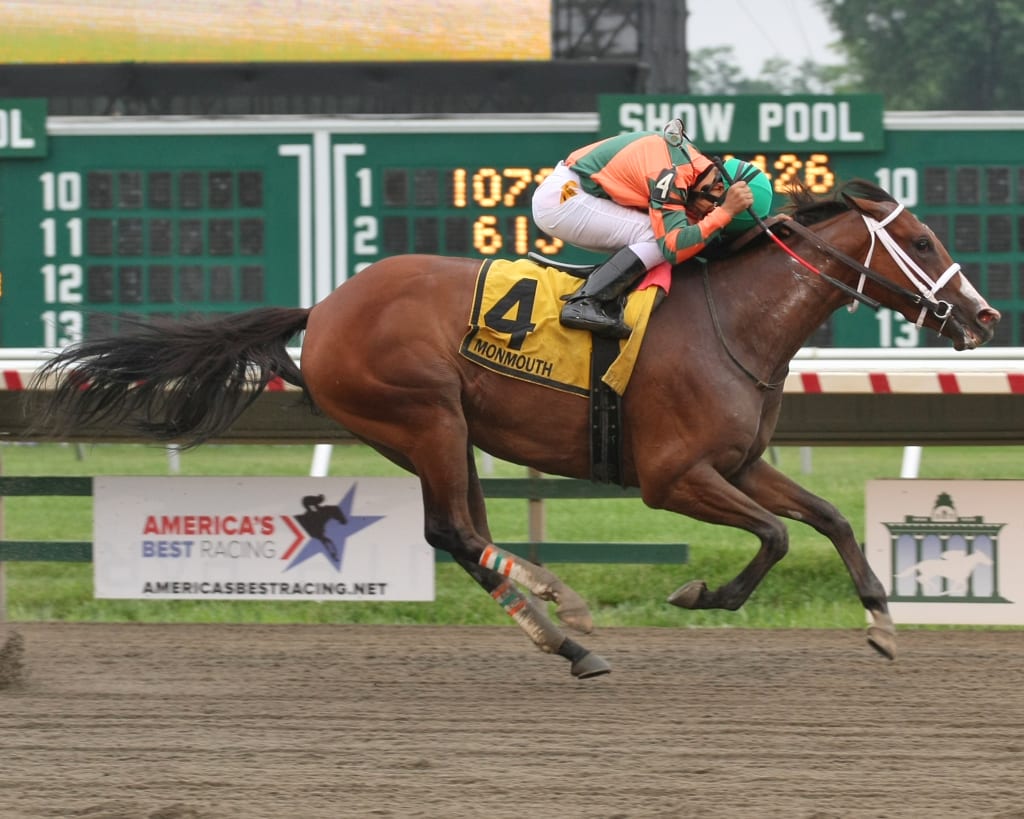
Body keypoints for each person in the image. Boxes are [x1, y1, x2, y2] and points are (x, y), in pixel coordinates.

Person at [532, 120, 771, 338]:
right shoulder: (672, 172)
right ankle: (585, 302)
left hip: (576, 194)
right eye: (710, 210)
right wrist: (725, 213)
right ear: (718, 188)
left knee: (686, 233)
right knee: (657, 238)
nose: (704, 216)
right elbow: (672, 247)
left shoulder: (692, 169)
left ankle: (603, 287)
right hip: (564, 197)